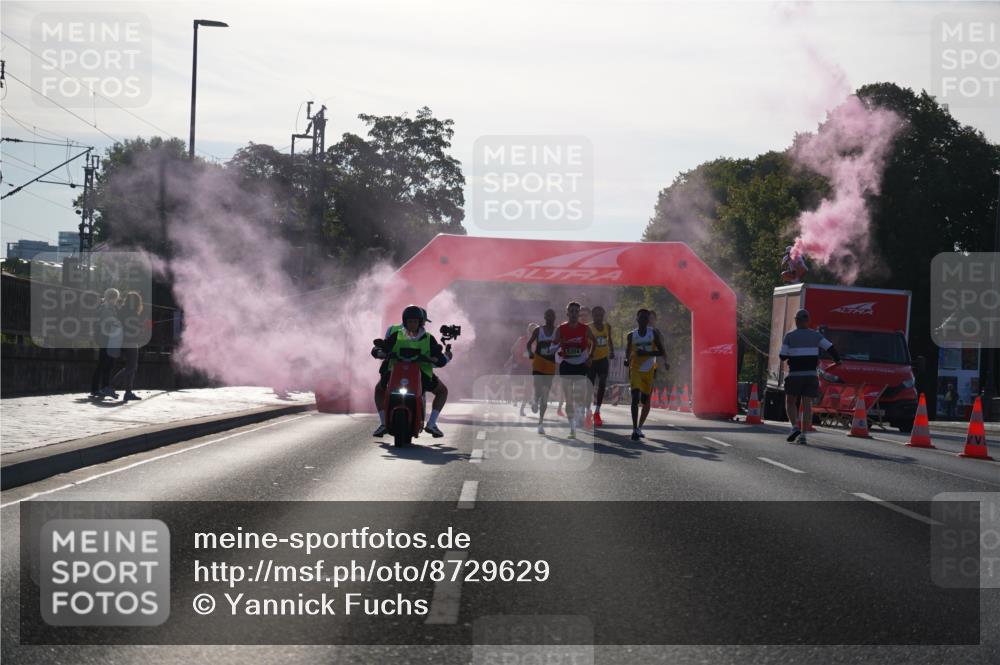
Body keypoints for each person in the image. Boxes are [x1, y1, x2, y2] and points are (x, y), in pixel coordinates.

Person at [371, 305, 452, 438]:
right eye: (409, 321)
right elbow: (382, 347)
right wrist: (379, 352)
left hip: (422, 376)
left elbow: (439, 357)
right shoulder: (396, 335)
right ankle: (383, 423)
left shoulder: (429, 338)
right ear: (405, 322)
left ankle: (432, 424)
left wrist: (437, 359)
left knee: (442, 391)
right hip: (395, 374)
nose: (412, 324)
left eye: (415, 321)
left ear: (420, 322)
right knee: (379, 389)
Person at [779, 308, 841, 445]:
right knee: (807, 404)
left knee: (790, 401)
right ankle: (803, 435)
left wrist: (793, 352)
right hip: (811, 375)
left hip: (795, 375)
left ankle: (795, 427)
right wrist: (837, 360)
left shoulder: (789, 336)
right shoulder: (816, 335)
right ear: (808, 321)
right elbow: (830, 348)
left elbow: (782, 356)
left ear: (796, 321)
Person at [551, 301, 595, 439]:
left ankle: (579, 412)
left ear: (579, 313)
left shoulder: (585, 329)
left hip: (581, 364)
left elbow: (594, 342)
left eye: (576, 311)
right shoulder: (560, 329)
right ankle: (572, 427)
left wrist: (590, 357)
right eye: (572, 311)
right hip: (566, 365)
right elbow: (552, 348)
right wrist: (560, 343)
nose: (574, 314)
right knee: (568, 399)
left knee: (579, 395)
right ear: (567, 313)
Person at [625, 309, 666, 440]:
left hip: (649, 370)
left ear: (649, 320)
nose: (644, 320)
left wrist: (663, 361)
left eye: (646, 318)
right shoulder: (631, 335)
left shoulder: (654, 333)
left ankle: (639, 427)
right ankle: (634, 429)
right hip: (635, 369)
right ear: (637, 319)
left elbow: (662, 351)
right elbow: (628, 351)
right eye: (641, 318)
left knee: (644, 400)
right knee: (635, 398)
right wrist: (626, 360)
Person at [109, 291, 146, 401]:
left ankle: (128, 392)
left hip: (123, 341)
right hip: (131, 342)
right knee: (132, 367)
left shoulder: (122, 311)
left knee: (131, 367)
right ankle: (112, 386)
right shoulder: (133, 313)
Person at [526, 308, 557, 434]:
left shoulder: (557, 331)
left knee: (545, 394)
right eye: (548, 316)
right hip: (538, 363)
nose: (550, 318)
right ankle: (534, 400)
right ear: (544, 317)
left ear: (554, 318)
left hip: (550, 365)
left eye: (552, 316)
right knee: (538, 388)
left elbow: (561, 344)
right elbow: (529, 344)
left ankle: (540, 422)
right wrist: (530, 353)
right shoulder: (538, 330)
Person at [89, 288, 121, 399]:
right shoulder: (107, 308)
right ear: (114, 298)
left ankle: (102, 388)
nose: (116, 300)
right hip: (106, 340)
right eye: (116, 298)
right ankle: (98, 389)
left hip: (106, 339)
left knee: (106, 364)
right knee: (104, 364)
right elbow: (108, 323)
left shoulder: (107, 307)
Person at [587, 305, 615, 426]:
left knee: (603, 382)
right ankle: (588, 411)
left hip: (603, 359)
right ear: (592, 315)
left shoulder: (607, 326)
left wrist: (612, 351)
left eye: (601, 315)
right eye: (596, 315)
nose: (599, 317)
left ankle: (597, 411)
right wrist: (587, 356)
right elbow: (585, 342)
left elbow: (609, 340)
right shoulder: (588, 327)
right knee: (589, 386)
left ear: (603, 315)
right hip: (592, 360)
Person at [510, 323, 536, 416]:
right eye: (531, 330)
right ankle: (526, 403)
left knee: (529, 386)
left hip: (532, 366)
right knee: (526, 386)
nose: (532, 332)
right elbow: (513, 349)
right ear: (528, 331)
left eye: (534, 331)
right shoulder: (522, 339)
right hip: (523, 366)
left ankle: (527, 404)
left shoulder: (537, 341)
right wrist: (519, 357)